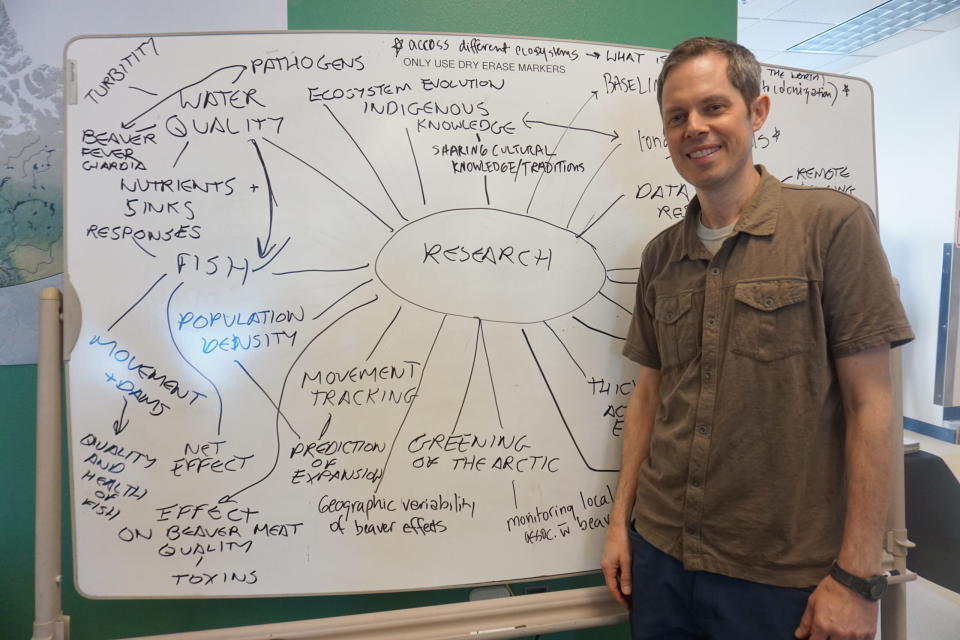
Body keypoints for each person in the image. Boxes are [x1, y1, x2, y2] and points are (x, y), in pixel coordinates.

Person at [600, 36, 913, 640]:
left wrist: (858, 578)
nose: (695, 127)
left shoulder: (833, 227)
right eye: (676, 116)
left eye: (714, 107)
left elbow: (870, 405)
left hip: (780, 577)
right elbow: (647, 396)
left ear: (757, 111)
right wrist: (621, 525)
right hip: (660, 556)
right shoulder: (662, 255)